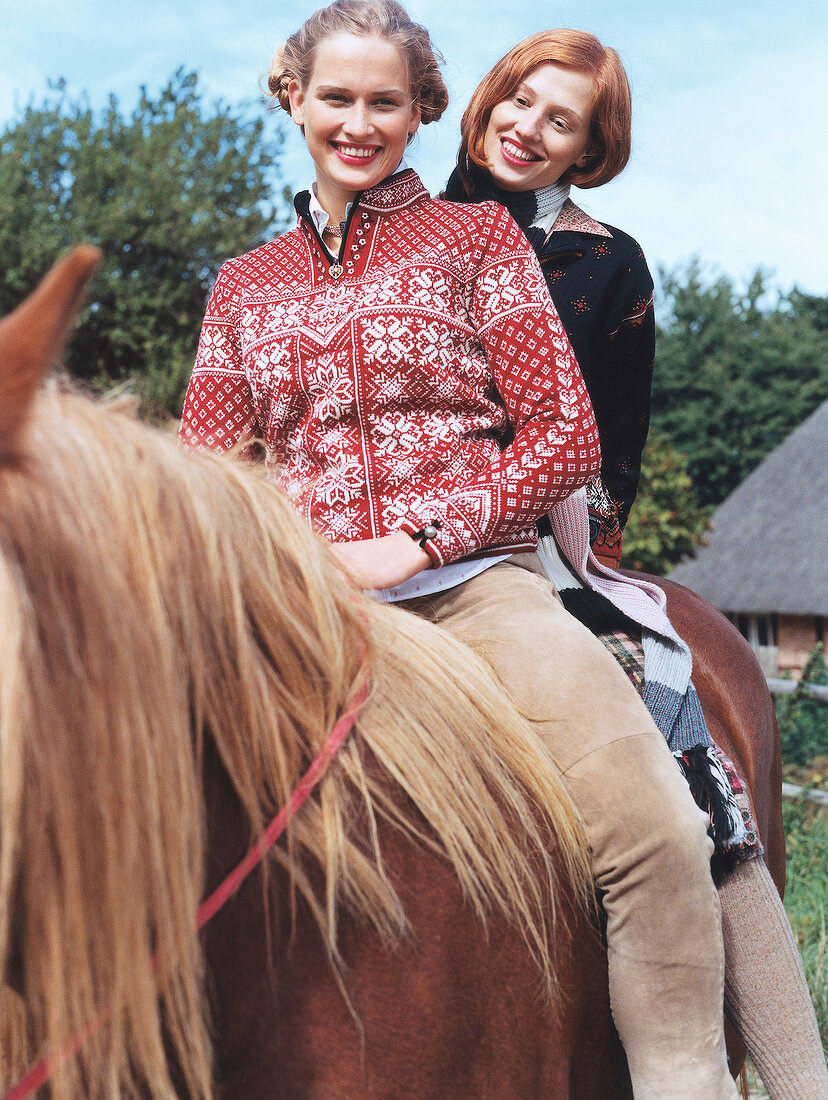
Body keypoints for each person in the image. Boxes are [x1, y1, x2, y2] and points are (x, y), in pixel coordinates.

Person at [180, 3, 741, 1095]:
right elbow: (208, 468)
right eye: (335, 97)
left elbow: (565, 436)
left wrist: (416, 541)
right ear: (293, 97)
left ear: (423, 109)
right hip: (301, 611)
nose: (358, 122)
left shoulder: (477, 240)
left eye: (385, 101)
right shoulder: (242, 284)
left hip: (480, 589)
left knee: (658, 834)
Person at [444, 30, 828, 1099]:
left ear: (588, 148)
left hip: (540, 541)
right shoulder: (395, 230)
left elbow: (611, 451)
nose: (528, 127)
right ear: (486, 102)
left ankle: (798, 1078)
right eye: (519, 100)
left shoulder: (605, 262)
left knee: (687, 769)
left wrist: (548, 544)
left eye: (559, 120)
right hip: (379, 543)